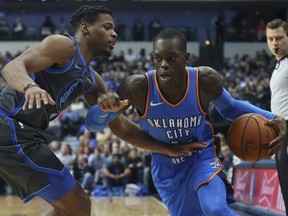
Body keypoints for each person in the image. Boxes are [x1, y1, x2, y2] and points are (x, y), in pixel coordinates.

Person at [0, 6, 201, 216]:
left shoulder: (92, 80)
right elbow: (12, 67)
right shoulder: (63, 45)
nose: (114, 34)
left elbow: (122, 128)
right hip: (9, 125)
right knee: (77, 204)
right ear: (85, 28)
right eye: (107, 27)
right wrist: (29, 86)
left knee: (71, 207)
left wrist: (166, 149)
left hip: (25, 134)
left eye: (114, 29)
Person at [86, 28, 287, 216]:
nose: (164, 64)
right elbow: (94, 125)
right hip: (167, 167)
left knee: (215, 209)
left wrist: (274, 118)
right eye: (158, 59)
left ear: (186, 58)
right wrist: (102, 109)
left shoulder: (205, 79)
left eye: (171, 58)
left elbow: (231, 108)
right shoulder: (138, 87)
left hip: (202, 156)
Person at [266, 18, 288, 214]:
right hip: (280, 132)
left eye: (279, 38)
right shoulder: (279, 65)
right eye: (271, 39)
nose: (275, 43)